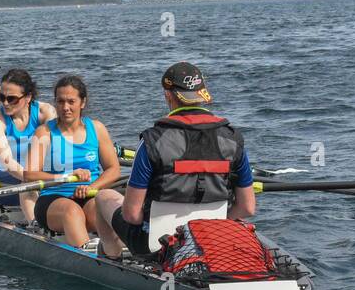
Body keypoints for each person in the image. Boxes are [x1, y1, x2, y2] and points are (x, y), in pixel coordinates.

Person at [97, 62, 254, 259]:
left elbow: (131, 215)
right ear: (202, 94)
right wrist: (213, 224)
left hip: (155, 245)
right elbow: (247, 207)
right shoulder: (233, 139)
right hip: (213, 239)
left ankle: (111, 256)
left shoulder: (152, 141)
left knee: (103, 197)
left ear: (168, 95)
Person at [25, 75, 122, 248]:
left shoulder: (97, 129)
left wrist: (93, 187)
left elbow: (113, 169)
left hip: (89, 194)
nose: (65, 108)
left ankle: (124, 254)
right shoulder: (44, 132)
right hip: (53, 199)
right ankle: (88, 257)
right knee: (72, 211)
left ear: (82, 102)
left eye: (71, 101)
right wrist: (66, 176)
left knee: (109, 208)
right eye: (60, 102)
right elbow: (29, 174)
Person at [0, 68, 56, 221]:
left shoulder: (46, 113)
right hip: (2, 180)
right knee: (27, 186)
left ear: (28, 97)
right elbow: (7, 161)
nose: (5, 103)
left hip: (40, 178)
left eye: (12, 99)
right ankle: (36, 226)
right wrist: (33, 179)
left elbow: (57, 150)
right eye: (1, 97)